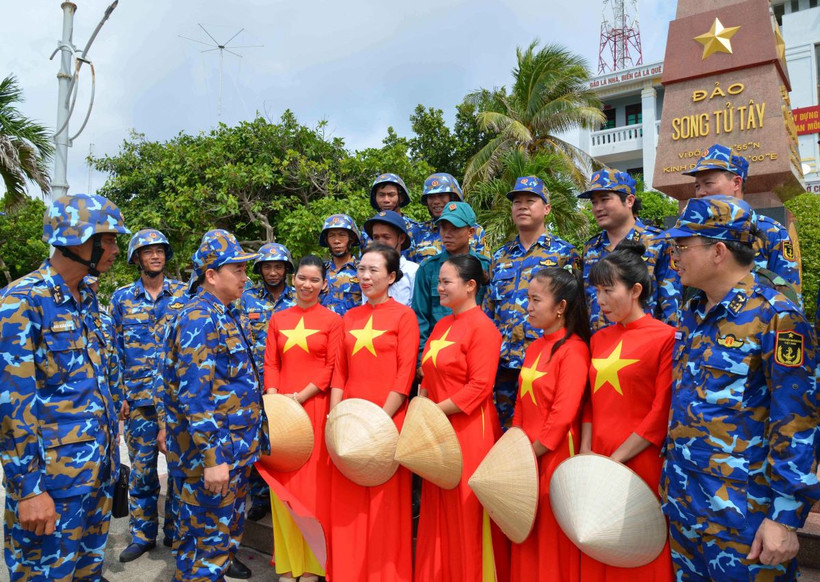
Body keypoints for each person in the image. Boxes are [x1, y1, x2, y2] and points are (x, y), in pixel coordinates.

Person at [660, 196, 819, 581]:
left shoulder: (777, 317)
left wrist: (784, 517)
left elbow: (797, 422)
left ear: (718, 252)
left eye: (683, 246)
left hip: (746, 521)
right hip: (686, 509)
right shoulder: (694, 312)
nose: (674, 256)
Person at [0, 192, 129, 581]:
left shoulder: (88, 299)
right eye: (107, 239)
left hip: (95, 479)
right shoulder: (22, 302)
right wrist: (28, 489)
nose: (115, 249)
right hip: (51, 487)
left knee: (88, 574)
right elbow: (12, 406)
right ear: (76, 239)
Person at [160, 229, 263, 581]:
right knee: (205, 552)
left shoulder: (224, 312)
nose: (245, 278)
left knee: (216, 550)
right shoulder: (199, 319)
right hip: (213, 460)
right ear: (211, 275)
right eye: (238, 270)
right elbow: (195, 397)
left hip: (232, 454)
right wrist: (213, 459)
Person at [579, 239, 675, 582]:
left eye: (608, 290)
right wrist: (586, 453)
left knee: (636, 547)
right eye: (597, 291)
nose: (600, 301)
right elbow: (588, 401)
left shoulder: (666, 337)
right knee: (595, 541)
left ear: (635, 290)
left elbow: (660, 410)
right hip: (598, 457)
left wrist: (616, 460)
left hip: (639, 460)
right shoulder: (598, 339)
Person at [328, 243, 419, 582]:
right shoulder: (349, 316)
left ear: (392, 277)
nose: (364, 276)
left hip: (388, 421)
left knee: (385, 505)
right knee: (348, 503)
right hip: (350, 424)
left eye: (373, 270)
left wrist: (381, 421)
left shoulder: (404, 316)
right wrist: (335, 419)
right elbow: (340, 371)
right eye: (361, 269)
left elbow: (405, 372)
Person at [414, 254, 507, 582]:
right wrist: (421, 407)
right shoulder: (442, 324)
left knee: (466, 511)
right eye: (438, 281)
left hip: (469, 430)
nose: (438, 287)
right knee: (438, 507)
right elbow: (427, 375)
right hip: (436, 428)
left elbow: (479, 388)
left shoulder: (484, 329)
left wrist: (432, 412)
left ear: (470, 286)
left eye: (445, 282)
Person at [262, 255, 343, 582]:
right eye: (302, 278)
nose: (307, 285)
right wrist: (273, 397)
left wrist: (301, 396)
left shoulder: (333, 321)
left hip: (314, 410)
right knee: (282, 486)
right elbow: (271, 362)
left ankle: (311, 564)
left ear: (324, 284)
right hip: (280, 412)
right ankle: (287, 562)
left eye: (314, 280)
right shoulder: (278, 319)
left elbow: (332, 367)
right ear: (293, 280)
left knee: (311, 490)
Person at [110, 228, 187, 561]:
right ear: (136, 258)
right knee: (141, 475)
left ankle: (174, 532)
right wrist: (119, 397)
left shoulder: (185, 295)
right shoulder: (121, 299)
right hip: (138, 402)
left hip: (176, 402)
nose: (155, 256)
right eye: (147, 251)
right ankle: (142, 536)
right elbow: (114, 351)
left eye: (159, 251)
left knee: (180, 473)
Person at [510, 267, 591, 582]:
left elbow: (563, 415)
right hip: (526, 458)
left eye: (535, 299)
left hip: (553, 457)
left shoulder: (574, 350)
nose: (527, 306)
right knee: (526, 534)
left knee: (550, 538)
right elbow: (520, 404)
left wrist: (530, 455)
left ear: (561, 307)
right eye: (527, 298)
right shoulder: (534, 347)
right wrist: (515, 449)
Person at [484, 176, 580, 430]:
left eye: (530, 201)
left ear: (547, 208)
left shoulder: (564, 253)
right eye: (517, 202)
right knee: (504, 434)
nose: (522, 206)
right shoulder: (500, 256)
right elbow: (489, 310)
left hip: (545, 363)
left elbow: (575, 309)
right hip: (503, 363)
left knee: (542, 430)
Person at [683, 143, 802, 306]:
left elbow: (790, 298)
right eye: (697, 186)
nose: (701, 192)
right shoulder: (693, 233)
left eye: (708, 183)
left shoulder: (771, 232)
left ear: (737, 183)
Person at [579, 169, 680, 330]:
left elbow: (672, 305)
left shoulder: (658, 242)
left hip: (644, 344)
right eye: (594, 202)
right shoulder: (591, 247)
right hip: (600, 346)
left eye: (605, 199)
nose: (598, 208)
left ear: (629, 201)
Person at [239, 242, 296, 522]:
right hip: (255, 381)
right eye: (267, 267)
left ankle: (288, 494)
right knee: (258, 442)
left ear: (287, 269)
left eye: (278, 266)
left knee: (287, 440)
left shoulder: (299, 297)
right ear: (259, 269)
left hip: (291, 380)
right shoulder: (246, 298)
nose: (272, 272)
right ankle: (260, 497)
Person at [412, 201, 490, 370]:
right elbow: (420, 317)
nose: (447, 234)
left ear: (470, 232)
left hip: (475, 354)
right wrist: (420, 359)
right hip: (438, 356)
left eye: (454, 228)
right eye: (443, 228)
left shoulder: (485, 267)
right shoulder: (428, 268)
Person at [409, 172, 488, 263]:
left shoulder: (475, 231)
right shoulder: (417, 232)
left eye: (441, 196)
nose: (436, 202)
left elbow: (485, 269)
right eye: (431, 197)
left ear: (453, 198)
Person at [363, 210, 419, 306]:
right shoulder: (367, 272)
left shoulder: (413, 272)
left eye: (386, 237)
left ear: (401, 238)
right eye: (376, 237)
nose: (380, 242)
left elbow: (418, 311)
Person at [360, 173, 421, 257]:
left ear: (401, 198)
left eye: (391, 195)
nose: (386, 200)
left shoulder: (417, 229)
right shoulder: (366, 232)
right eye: (381, 195)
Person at [319, 213, 362, 316]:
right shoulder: (319, 271)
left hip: (354, 329)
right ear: (327, 240)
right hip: (324, 329)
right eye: (331, 236)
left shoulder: (363, 269)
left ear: (351, 239)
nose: (336, 241)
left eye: (342, 235)